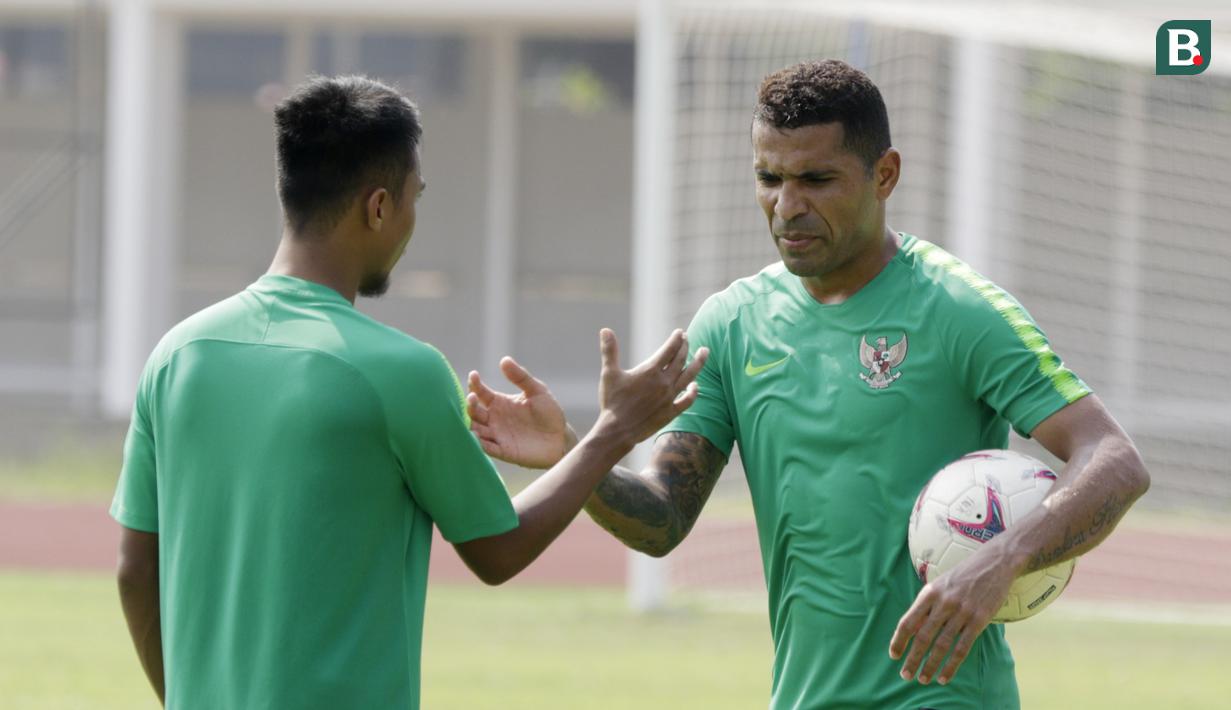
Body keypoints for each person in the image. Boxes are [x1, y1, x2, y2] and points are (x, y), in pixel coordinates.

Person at [465, 60, 1151, 709]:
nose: (785, 206)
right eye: (768, 178)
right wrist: (574, 452)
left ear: (884, 175)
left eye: (816, 180)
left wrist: (1001, 561)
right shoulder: (731, 324)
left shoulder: (959, 311)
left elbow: (1113, 460)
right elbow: (661, 520)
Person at [111, 75, 707, 709]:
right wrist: (609, 433)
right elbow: (497, 552)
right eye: (413, 197)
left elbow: (134, 570)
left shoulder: (177, 356)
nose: (412, 220)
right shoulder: (401, 372)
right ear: (378, 206)